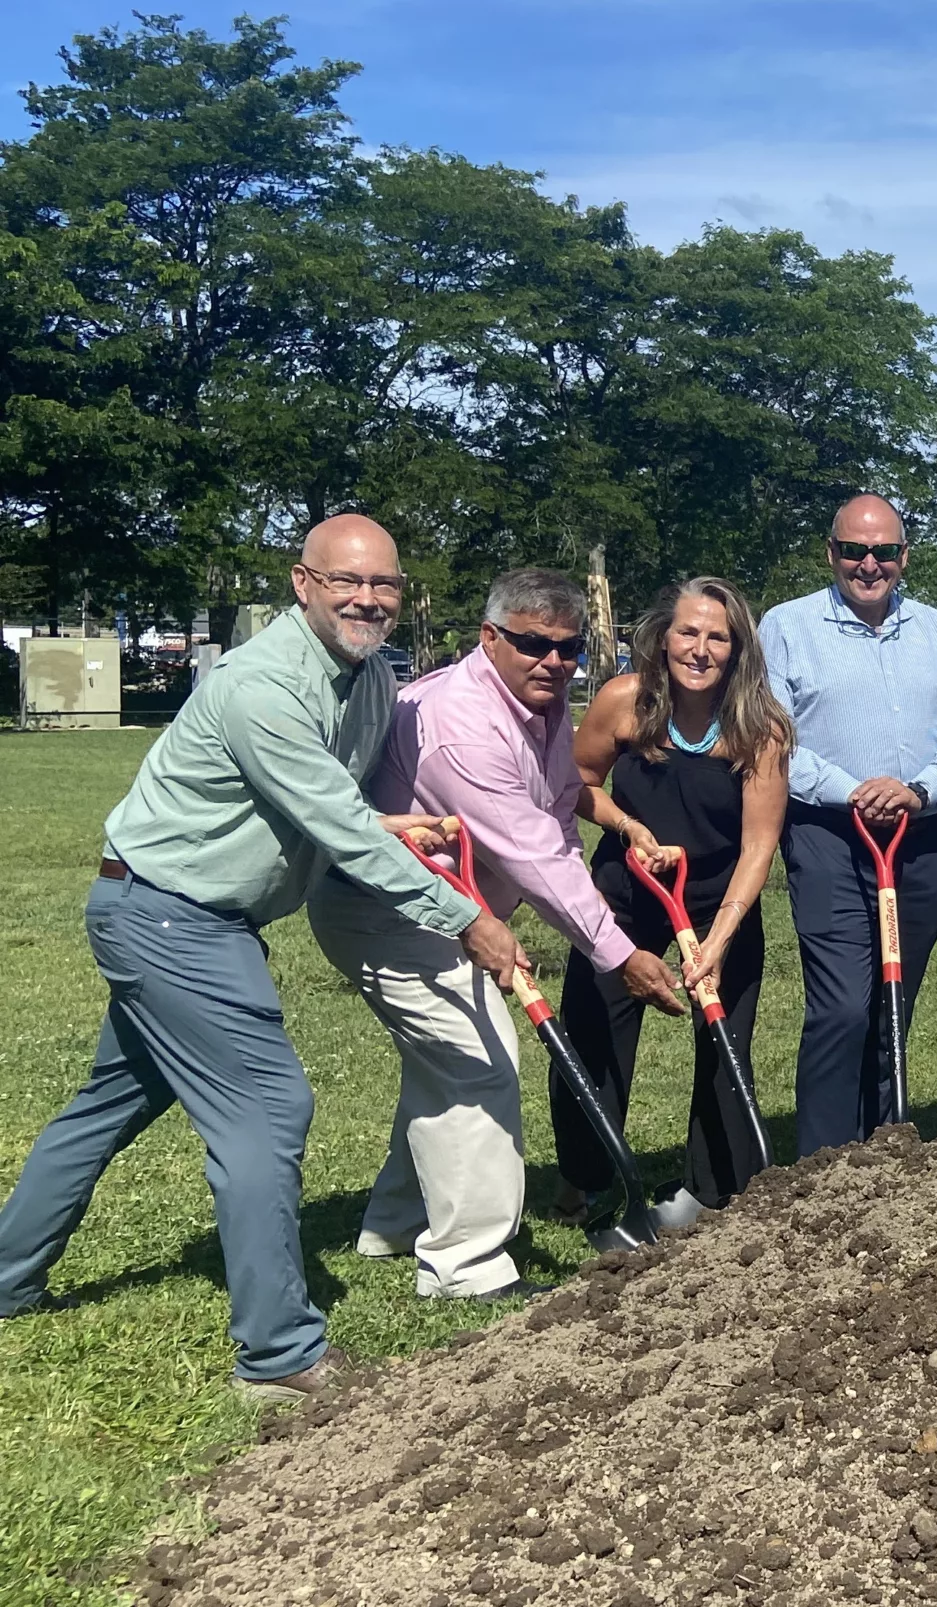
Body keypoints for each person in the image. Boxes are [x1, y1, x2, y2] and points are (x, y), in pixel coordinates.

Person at [0, 516, 528, 1402]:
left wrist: (388, 825)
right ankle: (280, 1358)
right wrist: (465, 918)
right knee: (270, 1106)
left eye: (384, 585)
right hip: (167, 916)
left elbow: (330, 804)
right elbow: (335, 824)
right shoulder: (264, 686)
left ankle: (8, 1280)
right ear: (302, 582)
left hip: (183, 913)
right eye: (345, 581)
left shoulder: (369, 676)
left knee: (108, 1106)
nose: (367, 598)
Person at [309, 568, 686, 1302]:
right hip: (383, 909)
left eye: (569, 647)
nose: (553, 660)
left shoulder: (539, 707)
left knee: (442, 1064)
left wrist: (616, 822)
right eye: (532, 643)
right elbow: (533, 854)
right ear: (490, 637)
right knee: (480, 1059)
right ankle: (467, 1265)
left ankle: (395, 1221)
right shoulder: (461, 725)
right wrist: (620, 954)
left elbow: (555, 805)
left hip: (451, 906)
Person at [761, 495, 937, 1149]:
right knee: (841, 1005)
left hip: (918, 836)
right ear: (830, 552)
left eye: (885, 551)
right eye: (854, 550)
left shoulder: (934, 630)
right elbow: (770, 736)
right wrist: (852, 791)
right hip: (829, 833)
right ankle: (826, 1160)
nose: (870, 564)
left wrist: (919, 789)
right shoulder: (787, 626)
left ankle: (883, 1143)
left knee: (895, 999)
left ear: (904, 557)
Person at [557, 578, 791, 1224]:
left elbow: (758, 845)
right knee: (592, 1021)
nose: (700, 648)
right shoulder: (624, 702)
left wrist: (719, 940)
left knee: (724, 1037)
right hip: (629, 889)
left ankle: (711, 1191)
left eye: (717, 636)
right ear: (663, 637)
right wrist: (627, 827)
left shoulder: (759, 730)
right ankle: (585, 1177)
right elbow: (574, 782)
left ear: (737, 648)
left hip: (720, 897)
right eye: (688, 632)